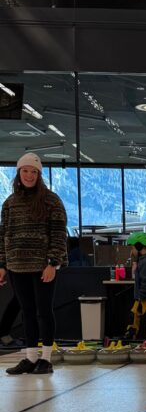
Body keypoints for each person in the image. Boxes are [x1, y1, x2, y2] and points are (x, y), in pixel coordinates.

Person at [0, 153, 67, 375]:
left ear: (39, 175)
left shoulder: (51, 201)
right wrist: (2, 265)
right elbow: (3, 235)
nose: (29, 175)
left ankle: (46, 359)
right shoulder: (9, 203)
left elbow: (59, 234)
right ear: (18, 173)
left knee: (44, 311)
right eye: (25, 171)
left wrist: (53, 263)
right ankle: (30, 358)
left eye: (33, 171)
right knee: (27, 312)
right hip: (16, 267)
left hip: (42, 267)